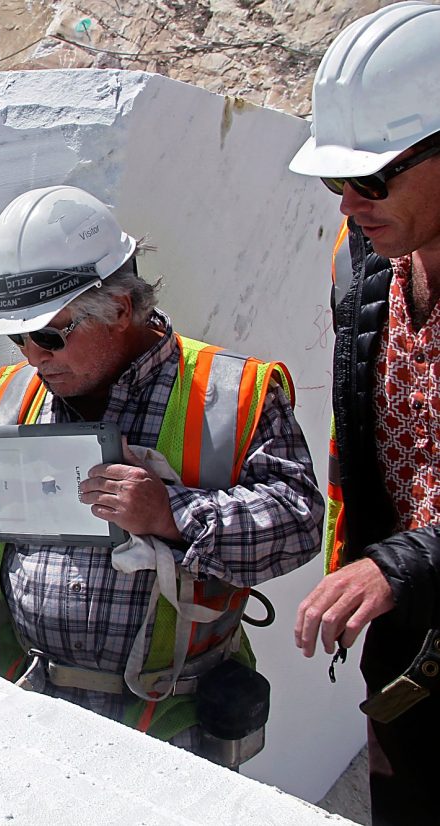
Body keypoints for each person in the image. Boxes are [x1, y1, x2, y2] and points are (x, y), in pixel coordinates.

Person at [0, 185, 323, 764]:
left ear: (118, 308)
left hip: (169, 724)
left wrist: (173, 514)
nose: (32, 357)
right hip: (32, 708)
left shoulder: (230, 394)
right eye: (19, 337)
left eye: (49, 335)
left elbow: (299, 521)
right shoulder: (9, 401)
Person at [289, 3, 440, 821]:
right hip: (409, 659)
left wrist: (401, 564)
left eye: (371, 178)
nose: (348, 203)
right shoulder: (362, 264)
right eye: (332, 180)